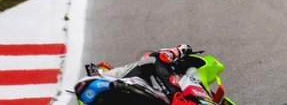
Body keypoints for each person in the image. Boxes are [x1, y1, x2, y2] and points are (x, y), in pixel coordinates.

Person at [73, 44, 231, 104]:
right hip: (129, 84)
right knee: (155, 59)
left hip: (152, 88)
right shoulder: (115, 74)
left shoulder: (121, 72)